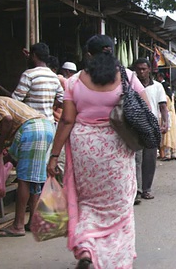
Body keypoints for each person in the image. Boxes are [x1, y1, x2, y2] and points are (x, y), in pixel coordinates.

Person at [47, 35, 148, 268]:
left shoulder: (74, 82)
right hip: (117, 149)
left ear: (88, 55)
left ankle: (86, 249)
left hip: (85, 151)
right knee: (119, 206)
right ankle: (114, 259)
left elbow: (66, 120)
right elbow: (146, 110)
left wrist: (54, 155)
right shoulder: (128, 78)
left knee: (88, 204)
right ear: (112, 53)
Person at [0, 92, 54, 238]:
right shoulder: (9, 101)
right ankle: (33, 222)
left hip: (32, 130)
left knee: (24, 179)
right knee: (35, 178)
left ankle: (18, 225)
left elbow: (7, 120)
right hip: (46, 128)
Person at [133, 58, 169, 201]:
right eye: (139, 69)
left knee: (149, 159)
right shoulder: (131, 85)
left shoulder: (158, 86)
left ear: (149, 70)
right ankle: (135, 190)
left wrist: (166, 122)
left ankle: (146, 189)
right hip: (134, 126)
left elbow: (163, 107)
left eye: (144, 69)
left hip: (151, 126)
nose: (141, 72)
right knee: (135, 159)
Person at [11, 42, 64, 122]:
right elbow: (62, 98)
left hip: (32, 123)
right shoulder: (54, 77)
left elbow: (15, 100)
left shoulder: (28, 74)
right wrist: (48, 106)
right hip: (49, 124)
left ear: (34, 55)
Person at [159, 82, 176, 161]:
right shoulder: (171, 95)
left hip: (167, 115)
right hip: (173, 116)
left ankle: (167, 154)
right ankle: (174, 153)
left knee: (167, 134)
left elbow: (163, 107)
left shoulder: (164, 96)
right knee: (173, 133)